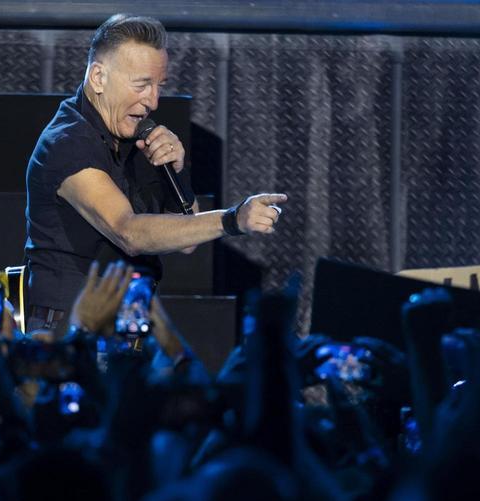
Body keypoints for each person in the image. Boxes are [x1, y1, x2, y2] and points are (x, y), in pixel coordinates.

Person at [23, 13, 287, 333]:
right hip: (69, 333)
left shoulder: (134, 136)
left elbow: (186, 241)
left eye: (159, 86)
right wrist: (233, 219)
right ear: (98, 78)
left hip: (127, 325)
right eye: (142, 85)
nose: (153, 101)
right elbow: (129, 232)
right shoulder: (67, 143)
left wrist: (177, 173)